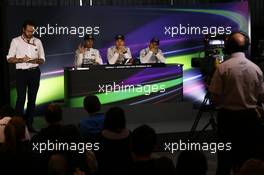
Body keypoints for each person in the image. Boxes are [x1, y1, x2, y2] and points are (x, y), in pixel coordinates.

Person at [209, 31, 264, 175]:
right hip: (250, 120)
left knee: (225, 161)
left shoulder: (222, 68)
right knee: (247, 159)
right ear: (246, 47)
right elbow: (260, 96)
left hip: (227, 120)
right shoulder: (256, 69)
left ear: (228, 47)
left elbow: (214, 98)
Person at [6, 20, 45, 133]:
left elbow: (42, 59)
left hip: (34, 72)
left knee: (32, 99)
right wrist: (20, 59)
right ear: (23, 29)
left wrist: (33, 60)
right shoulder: (16, 41)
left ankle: (29, 124)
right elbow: (9, 58)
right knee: (21, 98)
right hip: (21, 73)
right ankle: (17, 126)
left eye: (32, 31)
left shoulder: (37, 41)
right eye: (28, 31)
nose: (30, 33)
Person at [95, 106, 132, 175]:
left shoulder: (99, 137)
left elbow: (97, 158)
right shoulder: (130, 135)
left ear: (107, 120)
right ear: (123, 119)